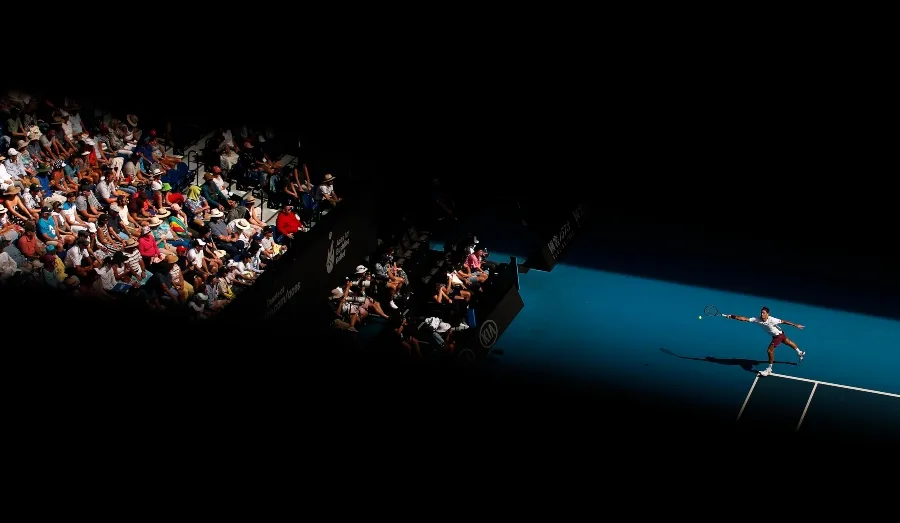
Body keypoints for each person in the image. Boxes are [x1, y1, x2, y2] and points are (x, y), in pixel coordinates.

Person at [724, 306, 806, 376]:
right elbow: (744, 319)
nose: (762, 314)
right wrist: (732, 316)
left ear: (768, 314)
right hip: (778, 334)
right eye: (761, 312)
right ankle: (800, 352)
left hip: (778, 336)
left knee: (769, 351)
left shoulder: (772, 320)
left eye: (763, 313)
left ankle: (769, 369)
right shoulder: (757, 319)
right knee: (788, 342)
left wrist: (795, 325)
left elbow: (784, 321)